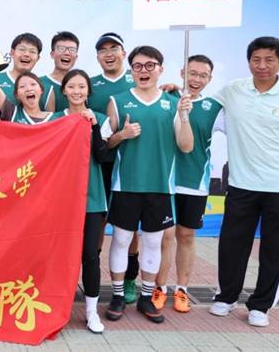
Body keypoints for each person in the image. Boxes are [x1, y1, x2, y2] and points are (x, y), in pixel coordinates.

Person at [210, 37, 279, 328]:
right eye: (256, 59)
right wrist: (172, 90)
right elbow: (203, 104)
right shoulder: (234, 90)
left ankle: (260, 305)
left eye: (269, 60)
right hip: (241, 185)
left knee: (273, 250)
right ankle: (226, 297)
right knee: (232, 246)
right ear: (249, 62)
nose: (262, 65)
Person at [104, 45, 193, 324]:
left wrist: (185, 115)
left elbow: (186, 146)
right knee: (121, 240)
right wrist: (122, 135)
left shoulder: (173, 103)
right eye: (138, 66)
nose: (144, 71)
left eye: (150, 65)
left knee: (154, 242)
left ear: (160, 69)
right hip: (126, 185)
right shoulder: (118, 101)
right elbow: (106, 143)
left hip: (160, 187)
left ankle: (146, 296)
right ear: (131, 70)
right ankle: (118, 295)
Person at [153, 55, 224, 314]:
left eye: (202, 75)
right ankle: (159, 287)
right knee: (165, 236)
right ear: (183, 72)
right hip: (166, 181)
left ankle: (182, 289)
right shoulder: (166, 98)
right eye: (192, 73)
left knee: (186, 235)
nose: (196, 79)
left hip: (195, 183)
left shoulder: (215, 107)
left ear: (209, 79)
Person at [88, 32, 140, 304]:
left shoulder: (138, 79)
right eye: (103, 50)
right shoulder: (90, 85)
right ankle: (92, 276)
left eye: (114, 48)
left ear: (123, 53)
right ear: (97, 56)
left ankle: (130, 279)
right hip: (100, 164)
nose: (108, 54)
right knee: (98, 221)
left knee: (127, 225)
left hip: (130, 164)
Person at [61, 69, 113, 333]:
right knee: (59, 255)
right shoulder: (55, 119)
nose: (77, 91)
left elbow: (103, 157)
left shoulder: (100, 119)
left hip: (92, 199)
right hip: (60, 199)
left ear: (88, 91)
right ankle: (59, 307)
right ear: (64, 90)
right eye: (71, 86)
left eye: (82, 87)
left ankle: (92, 312)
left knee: (90, 255)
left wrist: (92, 125)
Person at [0, 33, 44, 113]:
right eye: (22, 49)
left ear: (38, 58)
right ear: (12, 52)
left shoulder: (41, 86)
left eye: (32, 51)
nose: (26, 54)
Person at [41, 31, 79, 112]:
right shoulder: (38, 83)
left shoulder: (82, 87)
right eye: (61, 49)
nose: (67, 53)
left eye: (72, 50)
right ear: (52, 54)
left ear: (76, 56)